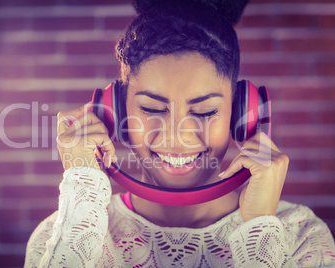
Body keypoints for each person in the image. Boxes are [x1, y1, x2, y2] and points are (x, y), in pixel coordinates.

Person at [24, 0, 335, 267]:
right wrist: (82, 192)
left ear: (242, 113)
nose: (177, 136)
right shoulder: (64, 234)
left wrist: (258, 228)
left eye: (204, 111)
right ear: (116, 113)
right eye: (151, 109)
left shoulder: (302, 234)